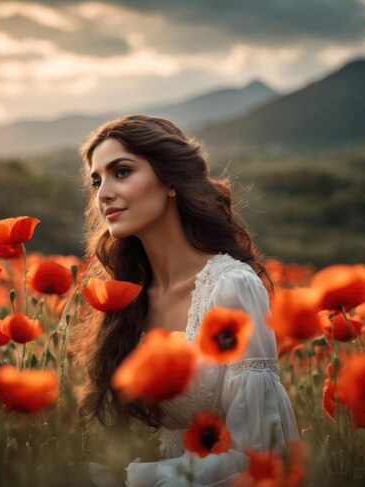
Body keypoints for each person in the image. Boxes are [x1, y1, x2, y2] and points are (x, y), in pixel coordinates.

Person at [77, 114, 299, 486]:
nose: (103, 194)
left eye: (122, 172)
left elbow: (260, 453)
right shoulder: (131, 299)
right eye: (97, 180)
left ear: (170, 182)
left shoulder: (231, 287)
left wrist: (133, 479)